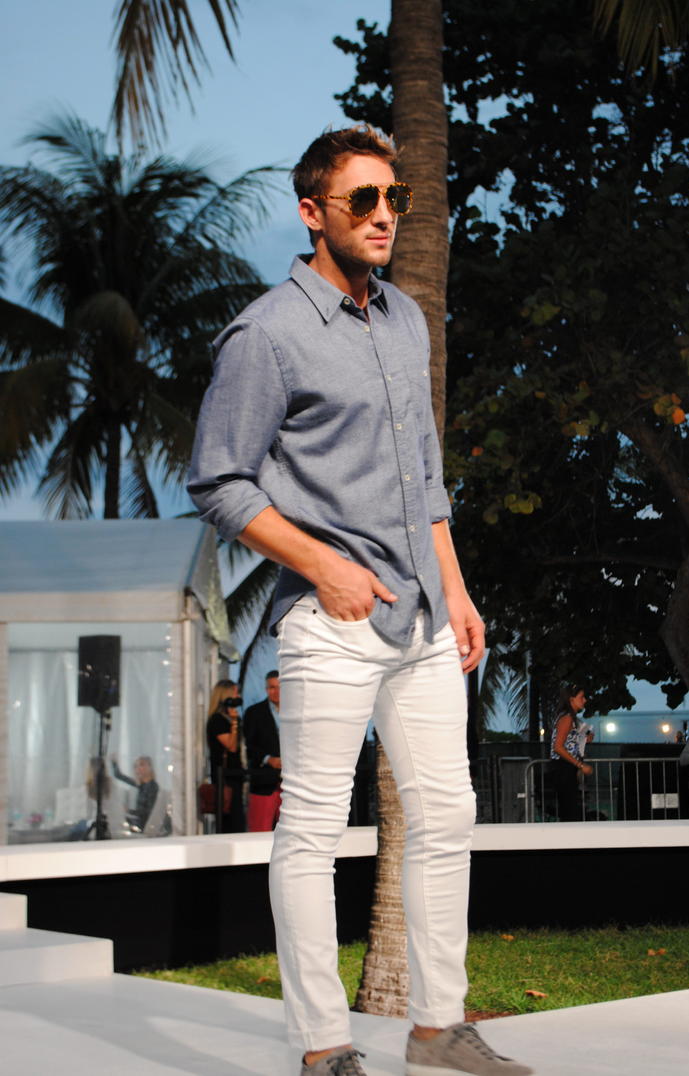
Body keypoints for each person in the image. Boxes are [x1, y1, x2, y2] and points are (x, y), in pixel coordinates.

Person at [188, 125, 532, 1076]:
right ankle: (324, 1046)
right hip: (330, 622)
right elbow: (219, 481)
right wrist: (325, 567)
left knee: (446, 817)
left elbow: (425, 478)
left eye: (396, 199)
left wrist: (456, 590)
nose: (385, 216)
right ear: (313, 213)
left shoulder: (406, 320)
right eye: (364, 200)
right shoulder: (266, 334)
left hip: (423, 620)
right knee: (312, 832)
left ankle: (435, 1027)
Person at [243, 670, 282, 832]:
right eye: (272, 687)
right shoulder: (253, 713)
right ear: (266, 689)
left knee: (293, 834)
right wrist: (268, 759)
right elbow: (249, 745)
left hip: (292, 785)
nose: (276, 691)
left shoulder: (297, 712)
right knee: (260, 833)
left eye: (280, 687)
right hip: (264, 782)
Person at [206, 679, 246, 833]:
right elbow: (231, 746)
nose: (237, 696)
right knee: (230, 821)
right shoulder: (217, 720)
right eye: (234, 693)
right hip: (225, 778)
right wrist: (234, 723)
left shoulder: (231, 718)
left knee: (238, 820)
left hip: (235, 775)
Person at [549, 685, 593, 822]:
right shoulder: (567, 718)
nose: (585, 700)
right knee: (570, 812)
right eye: (581, 697)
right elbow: (558, 747)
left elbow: (569, 742)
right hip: (563, 768)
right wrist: (580, 765)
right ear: (571, 699)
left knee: (570, 810)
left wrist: (584, 739)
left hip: (566, 767)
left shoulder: (570, 718)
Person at [110, 754, 159, 832]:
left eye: (141, 765)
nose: (138, 768)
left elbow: (148, 813)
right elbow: (118, 775)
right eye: (136, 766)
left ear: (149, 767)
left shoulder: (152, 787)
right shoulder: (141, 785)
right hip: (138, 824)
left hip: (143, 827)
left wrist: (129, 811)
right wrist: (114, 762)